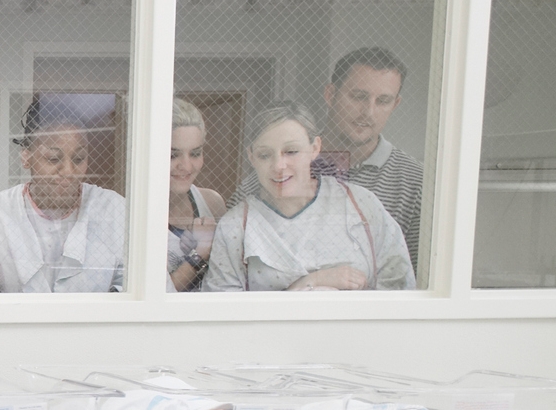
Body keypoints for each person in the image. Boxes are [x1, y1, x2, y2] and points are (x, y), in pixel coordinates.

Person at [234, 47, 424, 269]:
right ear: (330, 95)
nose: (368, 112)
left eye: (382, 101)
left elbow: (420, 278)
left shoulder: (416, 182)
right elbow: (231, 259)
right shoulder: (277, 171)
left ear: (396, 104)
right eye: (358, 97)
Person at [203, 103, 415, 291]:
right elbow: (224, 316)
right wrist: (310, 283)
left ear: (315, 148)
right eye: (265, 155)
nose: (278, 166)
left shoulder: (360, 205)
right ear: (251, 156)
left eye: (291, 152)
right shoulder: (235, 227)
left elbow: (399, 287)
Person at [0, 93, 127, 293]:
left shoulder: (113, 209)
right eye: (53, 159)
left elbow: (143, 289)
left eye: (79, 159)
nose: (68, 172)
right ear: (26, 158)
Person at [167, 98, 224, 292]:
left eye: (195, 153)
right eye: (172, 155)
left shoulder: (212, 203)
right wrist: (200, 252)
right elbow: (155, 296)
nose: (186, 166)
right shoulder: (130, 212)